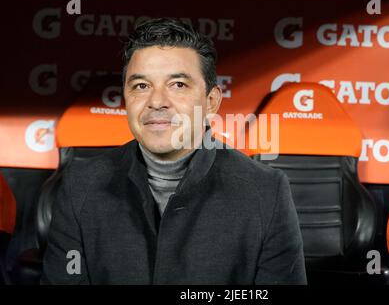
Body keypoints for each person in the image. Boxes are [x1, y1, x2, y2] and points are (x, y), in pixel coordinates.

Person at [41, 17, 307, 284]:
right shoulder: (80, 185)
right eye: (141, 86)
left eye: (178, 85)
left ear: (211, 102)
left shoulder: (266, 191)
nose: (156, 101)